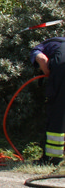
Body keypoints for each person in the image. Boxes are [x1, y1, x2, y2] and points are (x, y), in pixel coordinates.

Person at [29, 37, 65, 165]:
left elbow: (42, 60)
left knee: (57, 113)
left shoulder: (38, 48)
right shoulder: (59, 43)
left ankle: (52, 159)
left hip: (62, 71)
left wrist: (48, 72)